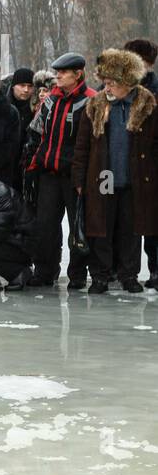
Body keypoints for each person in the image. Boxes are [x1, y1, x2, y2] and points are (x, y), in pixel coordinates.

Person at [72, 48, 157, 294]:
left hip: (135, 179)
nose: (106, 88)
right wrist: (79, 178)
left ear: (128, 82)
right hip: (104, 177)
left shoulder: (147, 105)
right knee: (102, 228)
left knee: (131, 231)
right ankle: (100, 275)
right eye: (105, 83)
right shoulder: (96, 105)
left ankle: (129, 275)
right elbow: (82, 146)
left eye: (112, 84)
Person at [26, 52, 94, 288]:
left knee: (77, 227)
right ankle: (45, 271)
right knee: (45, 227)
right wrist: (34, 163)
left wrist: (84, 175)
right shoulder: (51, 100)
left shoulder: (90, 100)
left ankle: (77, 274)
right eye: (57, 72)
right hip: (48, 174)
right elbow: (36, 132)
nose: (58, 76)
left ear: (78, 74)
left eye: (63, 73)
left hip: (75, 176)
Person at [121, 38, 158, 287]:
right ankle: (122, 268)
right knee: (125, 222)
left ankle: (155, 269)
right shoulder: (118, 88)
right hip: (124, 163)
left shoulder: (154, 91)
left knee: (153, 222)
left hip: (150, 165)